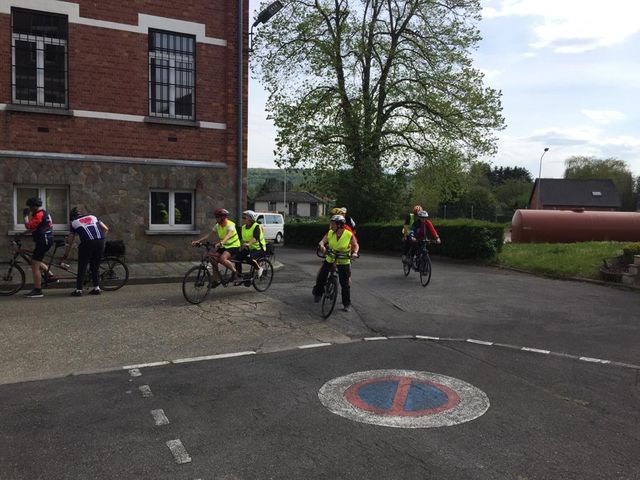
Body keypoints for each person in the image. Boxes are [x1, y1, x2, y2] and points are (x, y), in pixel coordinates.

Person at [312, 214, 359, 312]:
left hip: (343, 260)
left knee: (345, 283)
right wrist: (322, 246)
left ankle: (346, 304)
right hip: (331, 257)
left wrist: (355, 253)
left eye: (333, 224)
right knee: (322, 275)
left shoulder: (348, 234)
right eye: (331, 223)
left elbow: (355, 245)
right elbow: (322, 241)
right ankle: (318, 293)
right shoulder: (330, 233)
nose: (331, 225)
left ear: (340, 225)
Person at [61, 207, 109, 296]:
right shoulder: (93, 217)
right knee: (95, 266)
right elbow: (106, 229)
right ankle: (96, 288)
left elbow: (70, 241)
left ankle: (79, 290)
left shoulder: (74, 222)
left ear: (72, 217)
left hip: (87, 243)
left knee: (82, 266)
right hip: (100, 242)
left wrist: (66, 254)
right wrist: (99, 239)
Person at [192, 208, 240, 281]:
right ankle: (216, 280)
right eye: (216, 217)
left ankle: (235, 272)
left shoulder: (230, 225)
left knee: (223, 258)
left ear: (223, 217)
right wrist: (198, 241)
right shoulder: (217, 225)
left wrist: (221, 242)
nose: (216, 219)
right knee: (213, 260)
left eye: (217, 217)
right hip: (224, 246)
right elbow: (209, 235)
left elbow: (228, 235)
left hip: (233, 246)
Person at [22, 197, 54, 298]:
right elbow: (36, 227)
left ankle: (38, 290)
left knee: (34, 264)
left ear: (34, 206)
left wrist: (25, 216)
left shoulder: (39, 214)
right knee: (36, 260)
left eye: (30, 207)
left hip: (43, 241)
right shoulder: (43, 213)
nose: (29, 209)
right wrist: (21, 234)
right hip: (45, 240)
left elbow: (29, 226)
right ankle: (50, 275)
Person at [235, 210, 266, 284]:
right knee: (237, 258)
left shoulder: (256, 226)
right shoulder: (243, 228)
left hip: (259, 248)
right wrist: (241, 246)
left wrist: (248, 244)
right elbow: (241, 239)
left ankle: (259, 268)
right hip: (249, 248)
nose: (243, 219)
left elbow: (256, 238)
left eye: (244, 217)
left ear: (250, 219)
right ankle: (239, 276)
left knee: (249, 258)